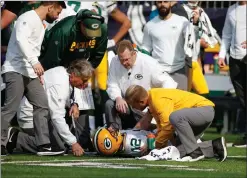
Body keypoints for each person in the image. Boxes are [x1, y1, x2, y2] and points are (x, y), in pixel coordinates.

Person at [1, 1, 66, 156]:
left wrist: (37, 71)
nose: (57, 17)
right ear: (50, 7)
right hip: (15, 69)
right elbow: (21, 40)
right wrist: (34, 63)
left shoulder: (40, 23)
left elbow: (33, 49)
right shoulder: (27, 18)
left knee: (42, 105)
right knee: (10, 108)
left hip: (30, 72)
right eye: (57, 12)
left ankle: (43, 145)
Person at [5, 60, 94, 157]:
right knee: (57, 148)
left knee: (62, 143)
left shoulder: (63, 72)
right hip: (30, 117)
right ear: (73, 75)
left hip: (39, 115)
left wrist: (74, 104)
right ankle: (16, 138)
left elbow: (59, 98)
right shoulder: (60, 85)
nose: (85, 84)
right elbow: (57, 117)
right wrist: (73, 143)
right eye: (84, 80)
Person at [125, 85, 227, 162]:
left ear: (141, 101)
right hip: (198, 114)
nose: (133, 108)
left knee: (174, 117)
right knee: (176, 151)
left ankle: (195, 152)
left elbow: (168, 127)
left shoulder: (157, 101)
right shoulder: (153, 101)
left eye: (133, 105)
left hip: (204, 110)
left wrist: (153, 145)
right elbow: (162, 129)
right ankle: (215, 146)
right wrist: (157, 146)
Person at [105, 40, 177, 129]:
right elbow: (112, 83)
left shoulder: (148, 63)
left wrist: (158, 105)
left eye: (126, 59)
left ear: (134, 54)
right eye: (121, 60)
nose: (124, 63)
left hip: (144, 108)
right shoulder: (114, 61)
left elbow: (168, 82)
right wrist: (118, 97)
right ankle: (114, 136)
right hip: (126, 104)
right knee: (110, 104)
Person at [142, 1, 195, 91]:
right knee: (160, 104)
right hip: (158, 73)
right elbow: (145, 49)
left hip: (179, 71)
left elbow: (192, 39)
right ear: (156, 4)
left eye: (165, 1)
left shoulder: (183, 22)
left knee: (181, 104)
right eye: (159, 2)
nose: (162, 4)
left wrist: (196, 23)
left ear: (171, 3)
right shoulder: (149, 25)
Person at [39, 9, 107, 71]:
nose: (92, 36)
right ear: (81, 24)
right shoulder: (64, 31)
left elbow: (98, 55)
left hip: (76, 58)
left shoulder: (103, 29)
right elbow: (52, 59)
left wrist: (85, 72)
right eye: (89, 31)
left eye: (95, 32)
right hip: (51, 56)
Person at [218, 1, 246, 147]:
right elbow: (226, 34)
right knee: (242, 98)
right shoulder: (231, 9)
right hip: (234, 59)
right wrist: (222, 55)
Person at [183, 1, 218, 95]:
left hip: (196, 58)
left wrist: (204, 38)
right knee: (186, 92)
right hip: (183, 60)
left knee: (203, 92)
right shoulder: (180, 11)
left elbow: (208, 37)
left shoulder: (202, 12)